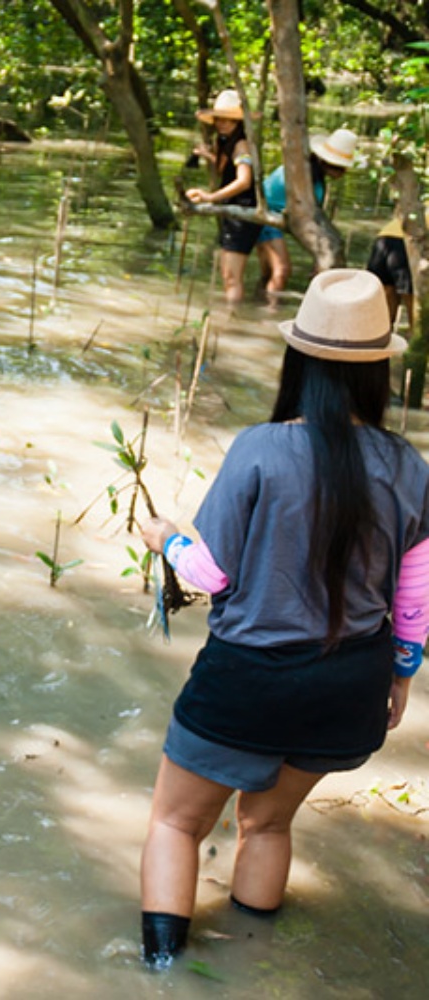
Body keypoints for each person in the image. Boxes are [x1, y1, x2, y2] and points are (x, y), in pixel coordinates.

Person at [136, 268, 429, 970]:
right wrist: (401, 678)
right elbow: (414, 597)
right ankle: (248, 963)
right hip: (349, 685)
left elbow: (209, 575)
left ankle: (161, 975)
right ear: (376, 372)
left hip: (249, 679)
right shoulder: (408, 465)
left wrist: (165, 537)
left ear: (299, 359)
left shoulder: (261, 451)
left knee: (176, 823)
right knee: (266, 823)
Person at [255, 129, 357, 297]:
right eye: (341, 167)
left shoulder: (315, 177)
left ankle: (255, 304)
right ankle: (270, 312)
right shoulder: (302, 175)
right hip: (266, 216)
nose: (344, 172)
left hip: (276, 218)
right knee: (282, 270)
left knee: (269, 272)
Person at [183, 90, 259, 305]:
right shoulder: (226, 141)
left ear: (238, 121)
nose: (222, 123)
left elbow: (244, 180)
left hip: (242, 214)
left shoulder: (241, 145)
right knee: (228, 276)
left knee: (232, 277)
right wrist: (209, 156)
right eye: (219, 119)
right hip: (233, 212)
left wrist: (210, 197)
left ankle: (231, 323)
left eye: (229, 119)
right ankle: (230, 320)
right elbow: (229, 169)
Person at [366, 201, 425, 328]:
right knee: (411, 295)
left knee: (384, 293)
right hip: (405, 242)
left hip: (383, 238)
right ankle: (416, 337)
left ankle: (380, 336)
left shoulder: (421, 203)